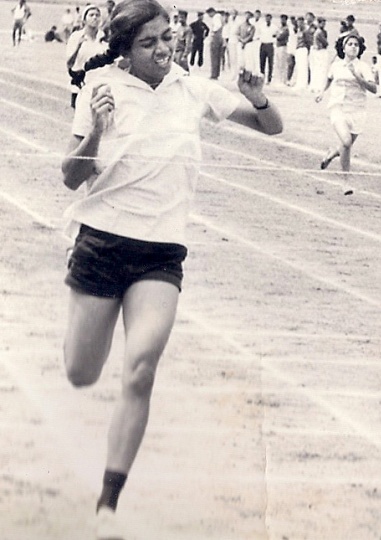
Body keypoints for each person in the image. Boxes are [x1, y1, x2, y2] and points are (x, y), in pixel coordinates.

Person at [59, 0, 283, 537]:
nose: (164, 49)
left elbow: (272, 127)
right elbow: (70, 177)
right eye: (149, 42)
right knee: (81, 373)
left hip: (161, 252)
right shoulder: (99, 87)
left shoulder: (191, 88)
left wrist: (260, 97)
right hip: (101, 243)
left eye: (168, 37)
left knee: (140, 369)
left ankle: (108, 506)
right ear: (125, 48)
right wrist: (95, 133)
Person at [316, 34, 376, 172]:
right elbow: (329, 79)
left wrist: (357, 77)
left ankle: (332, 154)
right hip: (338, 108)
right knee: (347, 142)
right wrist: (321, 92)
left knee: (345, 145)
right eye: (350, 44)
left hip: (357, 111)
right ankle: (345, 180)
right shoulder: (336, 66)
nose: (353, 47)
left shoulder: (363, 67)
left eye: (356, 45)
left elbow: (373, 89)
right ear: (343, 49)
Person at [67, 4, 106, 108]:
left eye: (97, 15)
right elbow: (69, 63)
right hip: (80, 84)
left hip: (100, 86)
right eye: (91, 15)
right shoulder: (76, 36)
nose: (95, 18)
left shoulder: (103, 37)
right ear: (84, 20)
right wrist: (78, 46)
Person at [259, 13, 275, 83]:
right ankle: (262, 78)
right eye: (266, 18)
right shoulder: (261, 26)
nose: (267, 20)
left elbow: (276, 35)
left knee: (270, 63)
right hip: (263, 44)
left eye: (269, 18)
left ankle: (269, 79)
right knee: (262, 62)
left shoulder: (274, 27)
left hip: (270, 45)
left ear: (271, 19)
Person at [274, 14, 289, 85]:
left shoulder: (286, 29)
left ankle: (283, 81)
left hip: (283, 47)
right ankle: (278, 80)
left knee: (282, 64)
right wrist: (277, 34)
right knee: (278, 64)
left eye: (283, 19)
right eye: (281, 19)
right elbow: (274, 34)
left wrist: (277, 35)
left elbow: (279, 37)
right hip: (277, 46)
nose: (282, 21)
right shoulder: (280, 28)